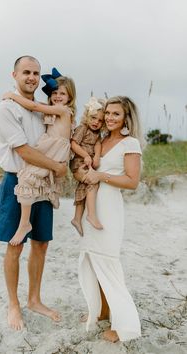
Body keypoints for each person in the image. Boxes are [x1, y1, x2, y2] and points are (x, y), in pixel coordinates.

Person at [0, 56, 68, 331]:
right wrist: (58, 168)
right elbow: (23, 150)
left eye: (36, 73)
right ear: (14, 74)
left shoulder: (43, 109)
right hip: (18, 182)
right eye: (26, 72)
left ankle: (34, 299)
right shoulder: (6, 108)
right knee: (15, 245)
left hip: (44, 184)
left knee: (41, 243)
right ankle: (14, 305)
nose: (32, 77)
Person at [78, 96, 144, 342]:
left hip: (110, 208)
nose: (109, 117)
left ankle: (123, 325)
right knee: (94, 262)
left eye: (116, 114)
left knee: (108, 262)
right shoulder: (102, 140)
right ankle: (102, 311)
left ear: (126, 117)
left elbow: (132, 181)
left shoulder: (130, 143)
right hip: (92, 207)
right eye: (108, 113)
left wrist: (100, 176)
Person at [2, 69, 76, 246]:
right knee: (33, 179)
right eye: (55, 93)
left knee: (28, 178)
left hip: (54, 150)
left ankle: (24, 223)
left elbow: (34, 107)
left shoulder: (63, 110)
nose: (58, 96)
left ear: (70, 96)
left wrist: (13, 96)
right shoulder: (54, 110)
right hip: (50, 148)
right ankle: (26, 222)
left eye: (62, 93)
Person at [70, 97, 105, 236]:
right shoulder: (82, 128)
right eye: (93, 118)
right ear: (87, 116)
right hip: (79, 164)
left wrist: (96, 156)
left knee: (83, 188)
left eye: (100, 120)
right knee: (93, 184)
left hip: (88, 163)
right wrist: (86, 155)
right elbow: (73, 143)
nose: (96, 122)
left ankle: (77, 219)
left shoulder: (97, 134)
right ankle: (91, 215)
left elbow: (98, 145)